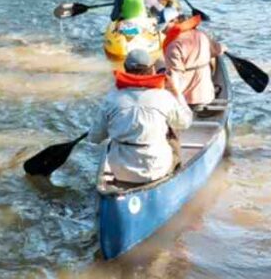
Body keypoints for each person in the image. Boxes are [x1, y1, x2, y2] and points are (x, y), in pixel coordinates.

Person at [88, 48, 193, 184]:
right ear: (151, 71)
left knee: (112, 141)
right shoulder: (164, 97)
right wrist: (176, 91)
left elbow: (94, 138)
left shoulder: (111, 99)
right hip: (156, 168)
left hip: (120, 171)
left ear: (125, 70)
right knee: (174, 132)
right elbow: (186, 122)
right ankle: (174, 178)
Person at [163, 14, 225, 109]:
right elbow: (218, 50)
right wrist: (223, 48)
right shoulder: (202, 35)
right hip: (207, 96)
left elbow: (174, 77)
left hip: (186, 100)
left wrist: (177, 102)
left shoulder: (174, 46)